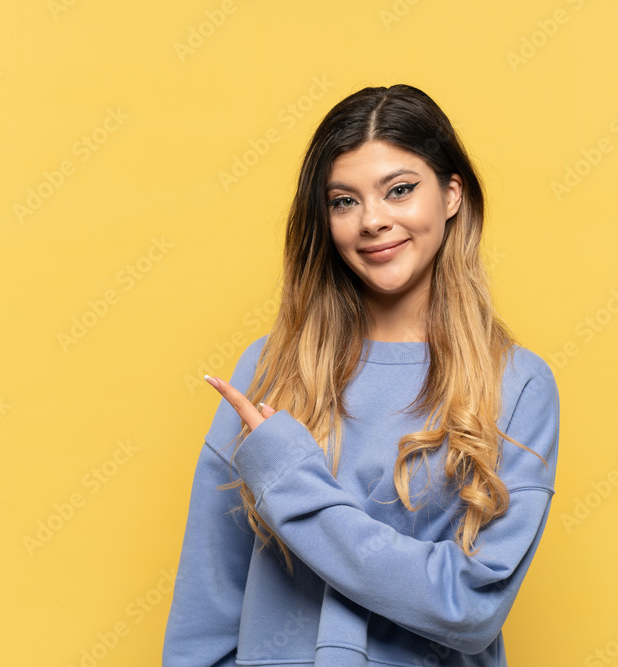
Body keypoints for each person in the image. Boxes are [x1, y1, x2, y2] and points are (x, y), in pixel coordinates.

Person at [162, 83, 560, 666]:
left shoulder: (518, 386)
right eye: (344, 201)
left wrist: (289, 482)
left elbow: (470, 607)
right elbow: (209, 600)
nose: (372, 221)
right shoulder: (269, 369)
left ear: (452, 194)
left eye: (399, 191)